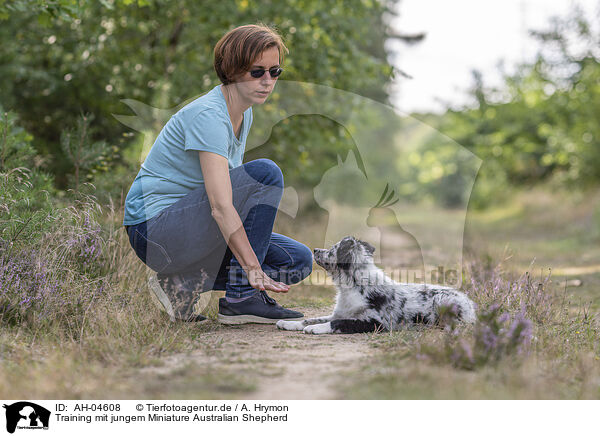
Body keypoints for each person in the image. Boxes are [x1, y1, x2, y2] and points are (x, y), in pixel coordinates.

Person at [123, 23, 313, 324]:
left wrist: (252, 260)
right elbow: (221, 206)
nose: (268, 81)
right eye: (257, 71)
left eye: (275, 72)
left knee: (297, 260)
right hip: (154, 230)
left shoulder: (242, 111)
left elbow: (234, 201)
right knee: (265, 173)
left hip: (190, 227)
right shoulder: (209, 116)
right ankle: (242, 298)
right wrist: (251, 267)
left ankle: (181, 284)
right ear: (233, 70)